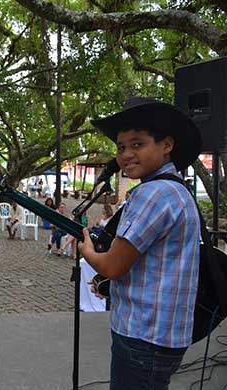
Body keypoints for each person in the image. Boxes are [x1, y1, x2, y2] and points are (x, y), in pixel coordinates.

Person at [78, 97, 202, 390]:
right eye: (121, 147)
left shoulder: (153, 194)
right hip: (164, 336)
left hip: (143, 337)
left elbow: (113, 266)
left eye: (137, 144)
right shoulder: (178, 192)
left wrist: (87, 252)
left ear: (167, 144)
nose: (126, 155)